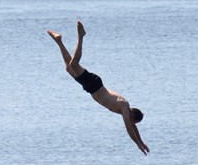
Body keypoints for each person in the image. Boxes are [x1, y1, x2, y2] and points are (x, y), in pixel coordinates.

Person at [48, 20, 149, 155]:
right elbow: (129, 129)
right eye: (133, 121)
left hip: (92, 88)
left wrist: (141, 142)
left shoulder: (124, 110)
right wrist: (138, 144)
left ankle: (59, 41)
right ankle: (81, 36)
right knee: (74, 64)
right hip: (95, 85)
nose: (131, 122)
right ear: (132, 115)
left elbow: (133, 127)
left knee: (69, 68)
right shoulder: (124, 106)